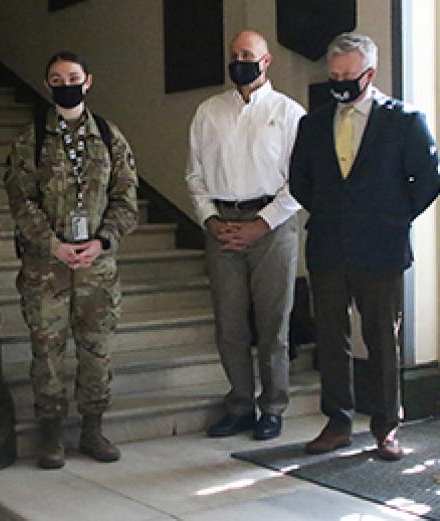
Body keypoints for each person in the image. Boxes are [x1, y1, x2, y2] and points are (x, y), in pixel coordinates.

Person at [290, 33, 439, 460]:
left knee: (381, 340)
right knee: (332, 340)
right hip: (328, 248)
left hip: (381, 249)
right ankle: (337, 422)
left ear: (369, 74)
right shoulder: (313, 124)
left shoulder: (405, 121)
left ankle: (386, 426)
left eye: (347, 76)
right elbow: (301, 181)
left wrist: (392, 218)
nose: (338, 82)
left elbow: (428, 181)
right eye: (333, 75)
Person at [4, 51, 139, 469]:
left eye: (74, 77)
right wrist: (52, 244)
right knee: (47, 352)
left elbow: (126, 199)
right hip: (48, 268)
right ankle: (51, 433)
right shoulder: (32, 140)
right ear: (48, 85)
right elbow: (20, 200)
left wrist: (103, 241)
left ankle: (93, 427)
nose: (67, 84)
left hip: (97, 268)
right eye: (58, 78)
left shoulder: (110, 137)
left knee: (97, 350)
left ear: (88, 81)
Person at [186, 30, 304, 441]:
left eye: (248, 55)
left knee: (274, 324)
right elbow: (195, 176)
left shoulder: (290, 113)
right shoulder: (207, 112)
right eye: (235, 54)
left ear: (266, 61)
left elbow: (300, 183)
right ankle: (239, 403)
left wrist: (260, 224)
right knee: (229, 324)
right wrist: (211, 221)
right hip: (222, 224)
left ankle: (273, 407)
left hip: (273, 225)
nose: (240, 61)